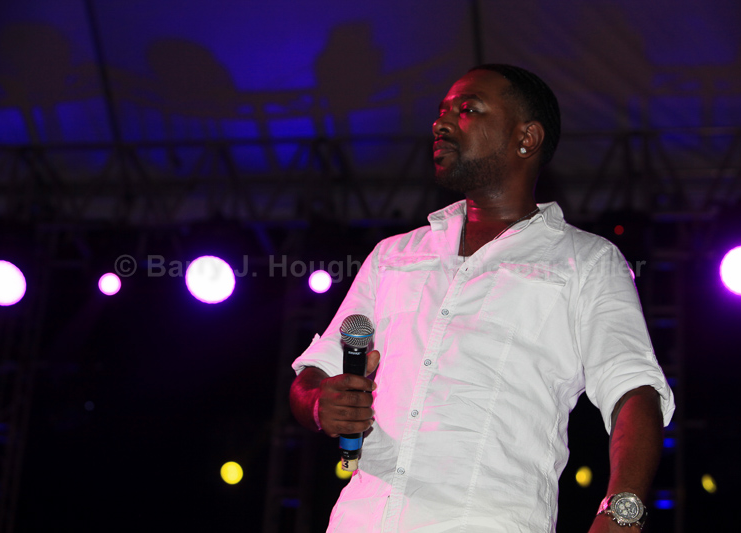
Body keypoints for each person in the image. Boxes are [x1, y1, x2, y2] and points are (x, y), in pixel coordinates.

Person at [289, 64, 675, 532]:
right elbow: (314, 372)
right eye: (441, 110)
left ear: (526, 138)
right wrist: (319, 402)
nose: (441, 122)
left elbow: (634, 391)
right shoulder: (394, 255)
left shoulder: (587, 261)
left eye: (468, 109)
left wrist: (622, 513)